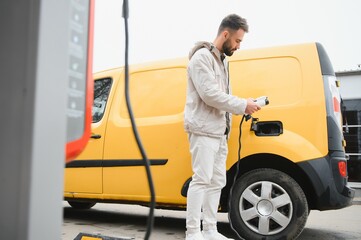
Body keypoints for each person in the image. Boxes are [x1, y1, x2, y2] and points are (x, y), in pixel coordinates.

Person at [184, 14, 261, 240]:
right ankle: (193, 233)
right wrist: (242, 105)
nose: (238, 46)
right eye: (237, 41)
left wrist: (244, 103)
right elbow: (209, 95)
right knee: (201, 179)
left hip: (219, 131)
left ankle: (209, 230)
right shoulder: (201, 58)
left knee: (217, 181)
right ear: (225, 34)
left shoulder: (222, 61)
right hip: (203, 130)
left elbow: (221, 96)